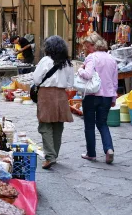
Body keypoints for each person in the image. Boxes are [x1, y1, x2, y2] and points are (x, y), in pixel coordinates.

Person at [33, 35, 74, 169]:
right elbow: (70, 83)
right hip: (61, 95)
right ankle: (54, 154)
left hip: (46, 94)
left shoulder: (45, 60)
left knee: (45, 126)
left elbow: (37, 79)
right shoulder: (67, 63)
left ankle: (50, 156)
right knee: (58, 125)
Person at [77, 32, 118, 164]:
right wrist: (113, 98)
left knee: (89, 125)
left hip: (91, 95)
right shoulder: (111, 59)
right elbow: (114, 81)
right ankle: (109, 149)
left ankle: (91, 153)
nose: (86, 49)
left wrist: (79, 70)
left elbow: (88, 74)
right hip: (107, 96)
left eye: (88, 46)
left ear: (94, 45)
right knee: (102, 123)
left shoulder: (91, 57)